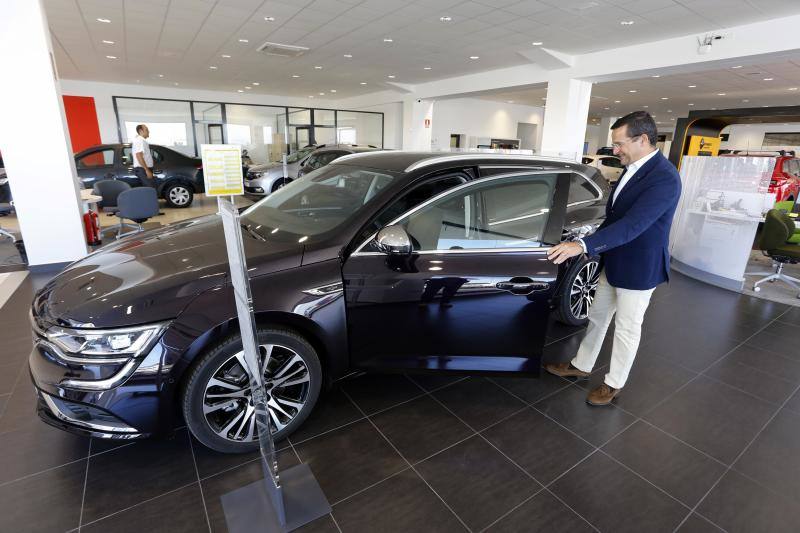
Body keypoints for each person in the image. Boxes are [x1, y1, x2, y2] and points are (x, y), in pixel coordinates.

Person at [545, 111, 681, 406]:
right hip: (614, 260)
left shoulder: (665, 178)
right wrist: (584, 241)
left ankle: (613, 383)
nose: (614, 150)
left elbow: (633, 225)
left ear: (643, 139)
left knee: (627, 328)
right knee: (597, 316)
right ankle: (582, 365)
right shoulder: (631, 168)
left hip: (640, 267)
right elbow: (614, 218)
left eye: (619, 144)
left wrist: (583, 246)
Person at [132, 124, 156, 188]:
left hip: (144, 169)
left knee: (150, 188)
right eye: (146, 130)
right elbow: (139, 156)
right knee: (150, 189)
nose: (149, 131)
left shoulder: (141, 140)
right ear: (141, 131)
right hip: (142, 169)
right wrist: (147, 170)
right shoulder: (139, 140)